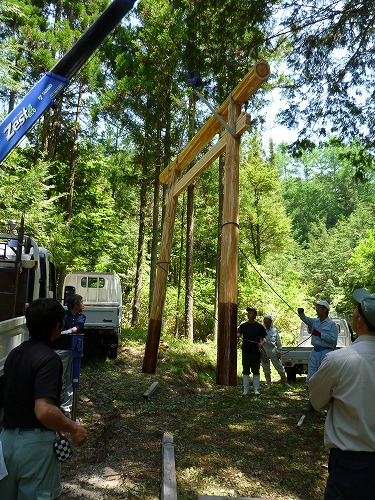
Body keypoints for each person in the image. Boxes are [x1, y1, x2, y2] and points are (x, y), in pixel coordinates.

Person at [0, 298, 87, 499]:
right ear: (58, 326)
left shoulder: (14, 354)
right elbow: (44, 411)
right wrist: (73, 428)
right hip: (35, 447)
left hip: (6, 442)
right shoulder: (49, 359)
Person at [309, 288, 375, 499]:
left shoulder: (338, 360)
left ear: (359, 323)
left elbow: (317, 400)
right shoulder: (338, 359)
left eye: (355, 314)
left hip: (349, 463)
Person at [297, 299, 338, 411]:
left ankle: (327, 404)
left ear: (325, 310)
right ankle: (311, 403)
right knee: (310, 378)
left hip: (326, 353)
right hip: (315, 352)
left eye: (319, 307)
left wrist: (320, 334)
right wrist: (301, 313)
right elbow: (306, 319)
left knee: (325, 379)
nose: (316, 308)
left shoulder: (332, 324)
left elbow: (333, 340)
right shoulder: (315, 322)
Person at [55, 294, 86, 418]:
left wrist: (63, 333)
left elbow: (76, 328)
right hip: (60, 350)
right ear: (75, 305)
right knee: (57, 377)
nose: (84, 304)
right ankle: (53, 404)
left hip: (74, 351)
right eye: (82, 302)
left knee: (72, 378)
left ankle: (66, 407)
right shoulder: (63, 315)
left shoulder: (81, 317)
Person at [237, 307, 266, 395]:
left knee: (256, 370)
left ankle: (256, 390)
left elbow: (264, 339)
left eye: (251, 312)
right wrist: (237, 336)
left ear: (255, 315)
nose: (249, 314)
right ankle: (245, 390)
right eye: (248, 312)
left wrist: (261, 343)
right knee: (245, 371)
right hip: (246, 351)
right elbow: (238, 333)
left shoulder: (259, 327)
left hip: (256, 352)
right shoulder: (243, 326)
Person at [261, 315, 289, 388]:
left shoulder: (274, 330)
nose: (266, 323)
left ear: (271, 322)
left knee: (279, 366)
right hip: (263, 350)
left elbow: (278, 342)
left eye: (268, 321)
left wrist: (279, 351)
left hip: (272, 349)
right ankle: (269, 384)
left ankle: (285, 382)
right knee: (266, 368)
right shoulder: (261, 330)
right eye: (265, 321)